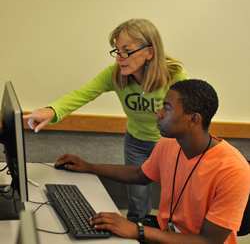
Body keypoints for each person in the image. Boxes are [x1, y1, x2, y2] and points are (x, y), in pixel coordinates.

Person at [24, 18, 187, 221]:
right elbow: (82, 94)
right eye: (117, 51)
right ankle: (136, 231)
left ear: (150, 52)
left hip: (170, 145)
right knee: (137, 198)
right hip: (136, 142)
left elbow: (190, 114)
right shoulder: (116, 75)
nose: (120, 58)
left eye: (126, 51)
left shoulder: (174, 75)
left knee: (175, 197)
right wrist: (51, 111)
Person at [54, 79, 250, 244]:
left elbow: (209, 241)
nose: (159, 114)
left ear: (194, 119)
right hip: (165, 236)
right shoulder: (168, 144)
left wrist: (138, 231)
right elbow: (140, 174)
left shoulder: (233, 169)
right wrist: (89, 167)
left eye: (167, 107)